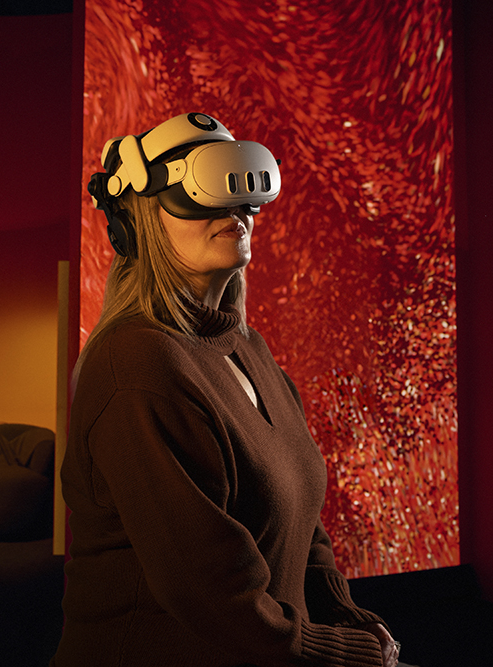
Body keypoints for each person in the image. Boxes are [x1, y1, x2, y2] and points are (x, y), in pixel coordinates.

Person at [51, 113, 400, 667]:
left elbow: (301, 525)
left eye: (240, 192)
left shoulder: (249, 351)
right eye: (200, 193)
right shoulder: (137, 365)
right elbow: (212, 592)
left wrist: (351, 621)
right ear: (135, 227)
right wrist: (344, 654)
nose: (233, 211)